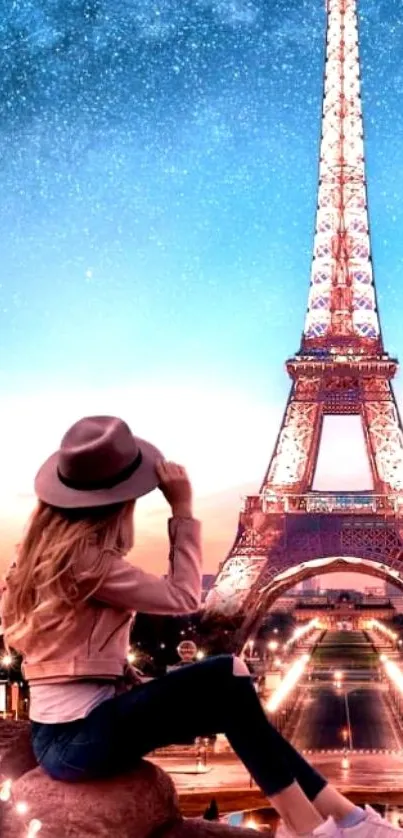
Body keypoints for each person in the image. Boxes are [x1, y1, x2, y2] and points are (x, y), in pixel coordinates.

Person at [0, 415, 400, 838]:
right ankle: (318, 827)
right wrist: (183, 510)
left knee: (235, 694)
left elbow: (59, 652)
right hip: (79, 740)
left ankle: (346, 820)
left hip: (62, 737)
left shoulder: (39, 562)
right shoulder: (90, 564)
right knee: (227, 678)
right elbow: (184, 597)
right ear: (119, 504)